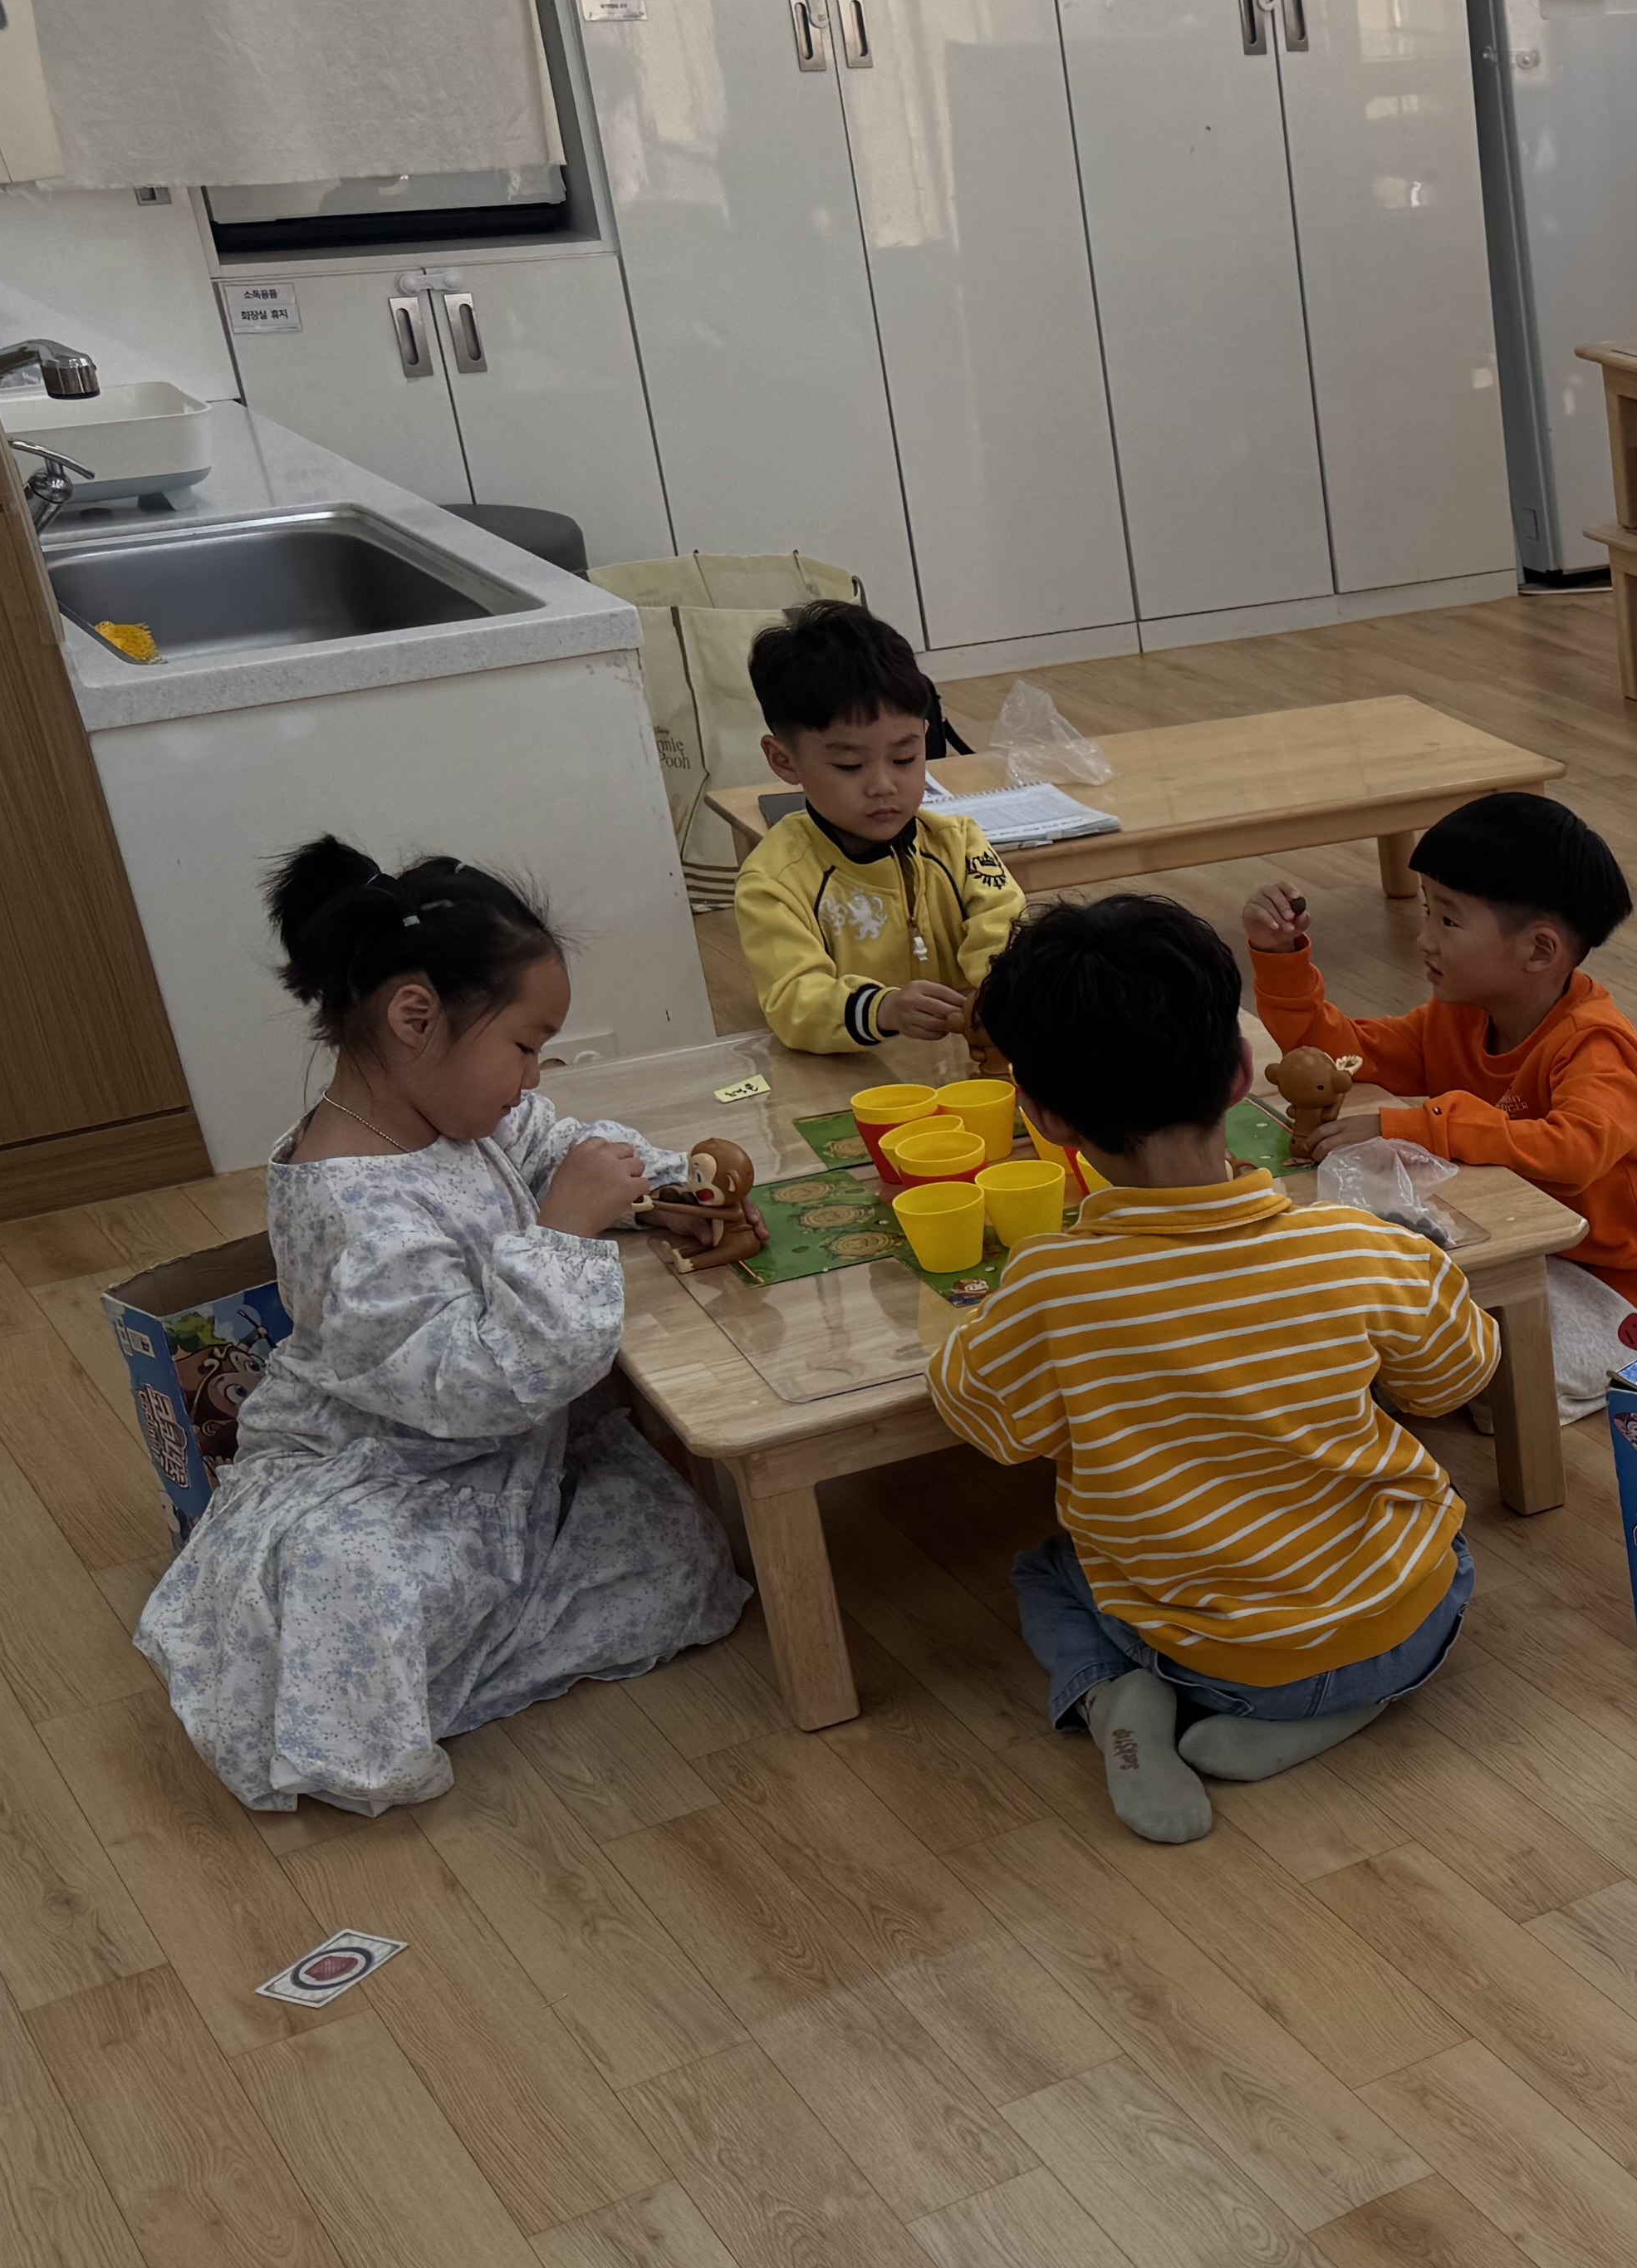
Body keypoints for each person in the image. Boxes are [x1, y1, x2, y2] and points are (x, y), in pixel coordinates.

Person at [134, 842, 750, 1814]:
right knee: (353, 1589)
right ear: (415, 1018)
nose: (533, 1076)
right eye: (525, 1047)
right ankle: (370, 1690)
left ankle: (460, 1637)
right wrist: (564, 1233)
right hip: (387, 1462)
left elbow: (553, 1145)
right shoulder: (349, 1209)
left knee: (685, 1565)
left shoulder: (449, 1113)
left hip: (493, 1457)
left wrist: (655, 1189)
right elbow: (480, 1386)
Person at [931, 896, 1502, 1848]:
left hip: (1215, 1663)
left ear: (1048, 1119)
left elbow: (986, 1419)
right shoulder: (1359, 1247)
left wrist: (994, 1323)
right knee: (1442, 1549)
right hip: (1406, 1622)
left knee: (1046, 1571)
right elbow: (1455, 1377)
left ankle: (1114, 1703)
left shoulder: (1050, 1288)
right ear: (1242, 1073)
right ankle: (1337, 1711)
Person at [1238, 793, 1637, 1416]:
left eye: (1448, 921)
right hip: (1531, 1248)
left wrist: (1413, 1126)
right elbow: (1338, 1059)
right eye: (1427, 911)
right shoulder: (1459, 1017)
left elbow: (1574, 1151)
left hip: (1634, 1290)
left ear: (1540, 951)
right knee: (1395, 1326)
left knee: (1488, 1385)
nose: (1424, 940)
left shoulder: (1598, 1046)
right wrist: (1281, 960)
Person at [732, 598, 1020, 1053]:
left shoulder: (958, 843)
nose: (883, 786)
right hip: (858, 1074)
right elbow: (793, 1000)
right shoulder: (775, 881)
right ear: (784, 760)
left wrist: (998, 989)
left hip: (964, 1063)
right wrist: (882, 1009)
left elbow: (1005, 931)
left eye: (905, 758)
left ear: (925, 740)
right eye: (850, 765)